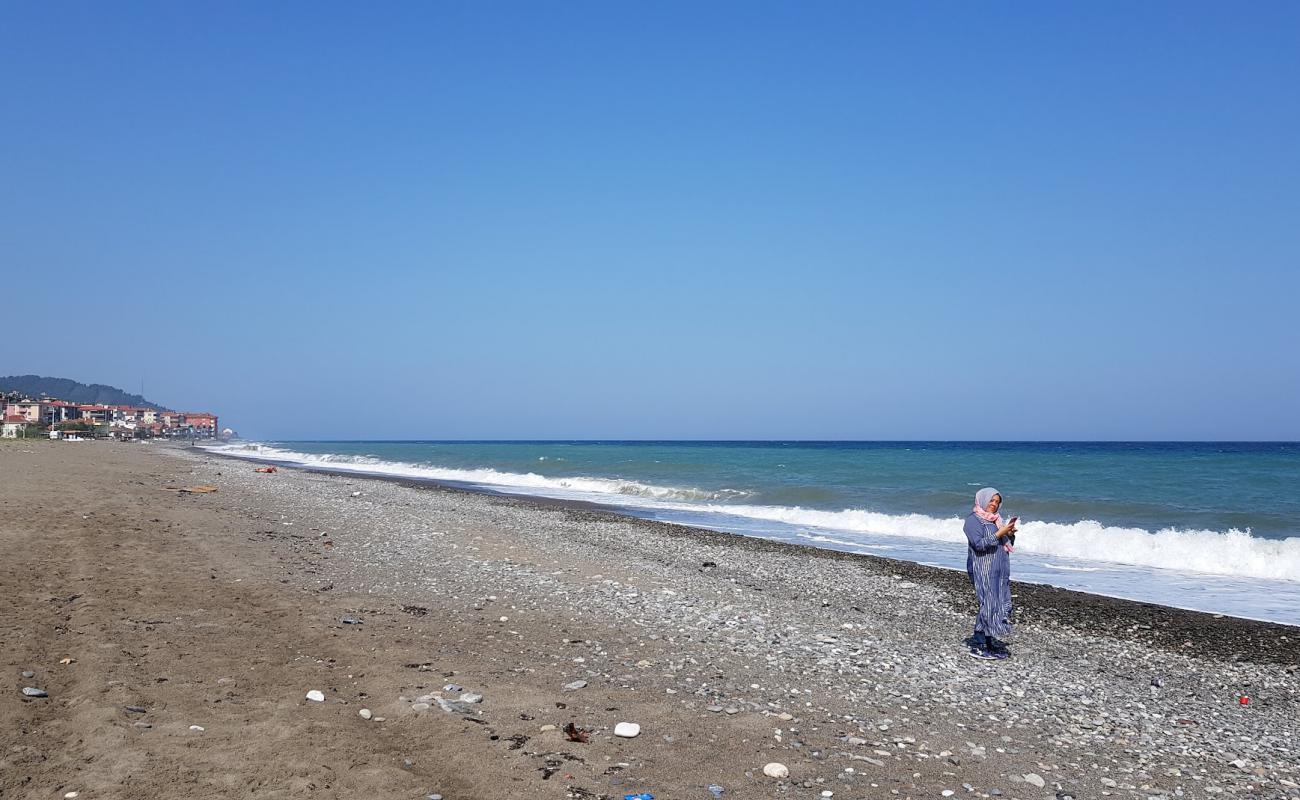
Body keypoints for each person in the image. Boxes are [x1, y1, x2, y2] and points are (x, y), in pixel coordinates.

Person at [963, 487, 1018, 660]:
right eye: (991, 501)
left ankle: (988, 640)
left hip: (999, 569)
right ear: (982, 500)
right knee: (988, 603)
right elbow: (978, 544)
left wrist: (1008, 534)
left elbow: (1004, 543)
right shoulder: (973, 521)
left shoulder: (996, 521)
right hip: (983, 568)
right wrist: (999, 533)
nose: (994, 504)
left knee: (999, 602)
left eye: (997, 502)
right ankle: (979, 643)